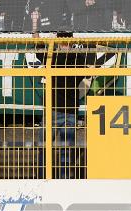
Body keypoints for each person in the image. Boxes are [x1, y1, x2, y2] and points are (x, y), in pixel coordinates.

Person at [34, 32, 95, 179]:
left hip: (52, 109)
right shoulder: (78, 60)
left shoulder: (52, 58)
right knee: (66, 151)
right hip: (71, 111)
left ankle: (43, 178)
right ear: (72, 41)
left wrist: (35, 30)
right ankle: (64, 180)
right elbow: (92, 65)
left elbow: (38, 47)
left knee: (44, 148)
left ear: (58, 41)